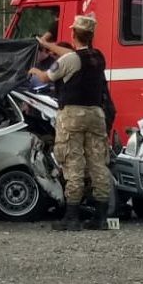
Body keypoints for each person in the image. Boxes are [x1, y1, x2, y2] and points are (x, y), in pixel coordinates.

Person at [28, 15, 111, 231]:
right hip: (96, 115)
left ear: (73, 34)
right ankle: (101, 217)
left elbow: (46, 78)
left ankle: (72, 217)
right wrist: (48, 45)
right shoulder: (98, 57)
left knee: (73, 163)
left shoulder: (69, 61)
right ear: (91, 35)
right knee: (97, 164)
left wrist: (34, 70)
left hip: (73, 115)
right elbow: (74, 56)